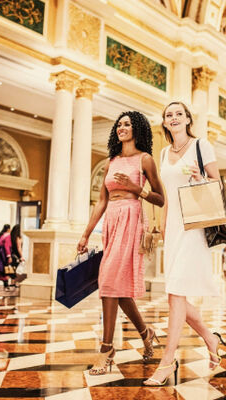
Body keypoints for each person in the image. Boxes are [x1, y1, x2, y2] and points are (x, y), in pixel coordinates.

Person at [144, 101, 225, 386]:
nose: (174, 118)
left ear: (188, 119)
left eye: (179, 114)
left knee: (175, 293)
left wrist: (201, 177)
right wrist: (164, 227)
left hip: (196, 226)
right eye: (169, 115)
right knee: (174, 293)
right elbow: (167, 195)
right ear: (164, 123)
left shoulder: (202, 146)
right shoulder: (164, 153)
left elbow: (217, 184)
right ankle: (210, 338)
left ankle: (167, 362)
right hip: (175, 228)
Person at [77, 111, 164, 376]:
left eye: (127, 124)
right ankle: (146, 333)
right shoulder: (110, 162)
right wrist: (85, 233)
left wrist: (137, 189)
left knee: (108, 280)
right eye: (119, 124)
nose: (121, 127)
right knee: (118, 286)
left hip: (132, 218)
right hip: (112, 221)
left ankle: (106, 349)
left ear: (137, 129)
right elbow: (101, 202)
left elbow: (160, 198)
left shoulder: (145, 160)